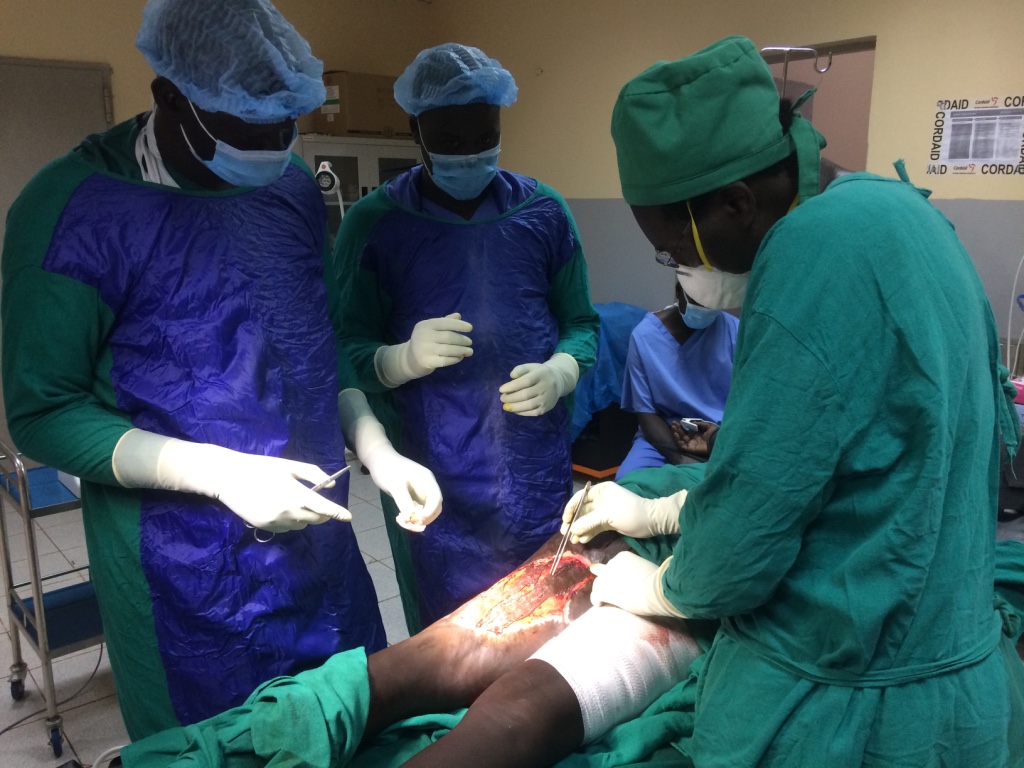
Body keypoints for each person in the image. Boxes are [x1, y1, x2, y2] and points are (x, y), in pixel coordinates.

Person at [562, 36, 1024, 766]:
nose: (679, 276)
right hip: (956, 681)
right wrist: (660, 509)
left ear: (738, 202)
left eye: (673, 251)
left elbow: (746, 536)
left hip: (851, 711)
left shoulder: (810, 257)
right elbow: (868, 461)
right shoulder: (896, 211)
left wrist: (660, 588)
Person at [0, 0, 439, 740]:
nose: (273, 148)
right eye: (249, 131)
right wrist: (219, 473)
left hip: (320, 546)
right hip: (180, 574)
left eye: (284, 127)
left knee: (351, 731)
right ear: (170, 97)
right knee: (219, 749)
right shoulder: (72, 209)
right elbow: (42, 411)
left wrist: (376, 447)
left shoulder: (291, 185)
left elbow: (313, 338)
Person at [332, 43, 599, 632]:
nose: (467, 152)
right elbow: (342, 352)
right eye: (449, 139)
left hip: (534, 467)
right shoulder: (375, 225)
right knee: (450, 642)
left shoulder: (546, 213)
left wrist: (561, 371)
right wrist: (396, 360)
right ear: (416, 132)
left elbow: (582, 325)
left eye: (482, 134)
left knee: (545, 623)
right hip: (430, 475)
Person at [616, 280, 738, 479]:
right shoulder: (644, 337)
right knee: (628, 483)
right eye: (698, 302)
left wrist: (717, 441)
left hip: (720, 437)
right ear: (679, 291)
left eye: (712, 305)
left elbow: (746, 405)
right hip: (662, 437)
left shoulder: (734, 331)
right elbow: (647, 416)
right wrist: (682, 461)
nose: (705, 310)